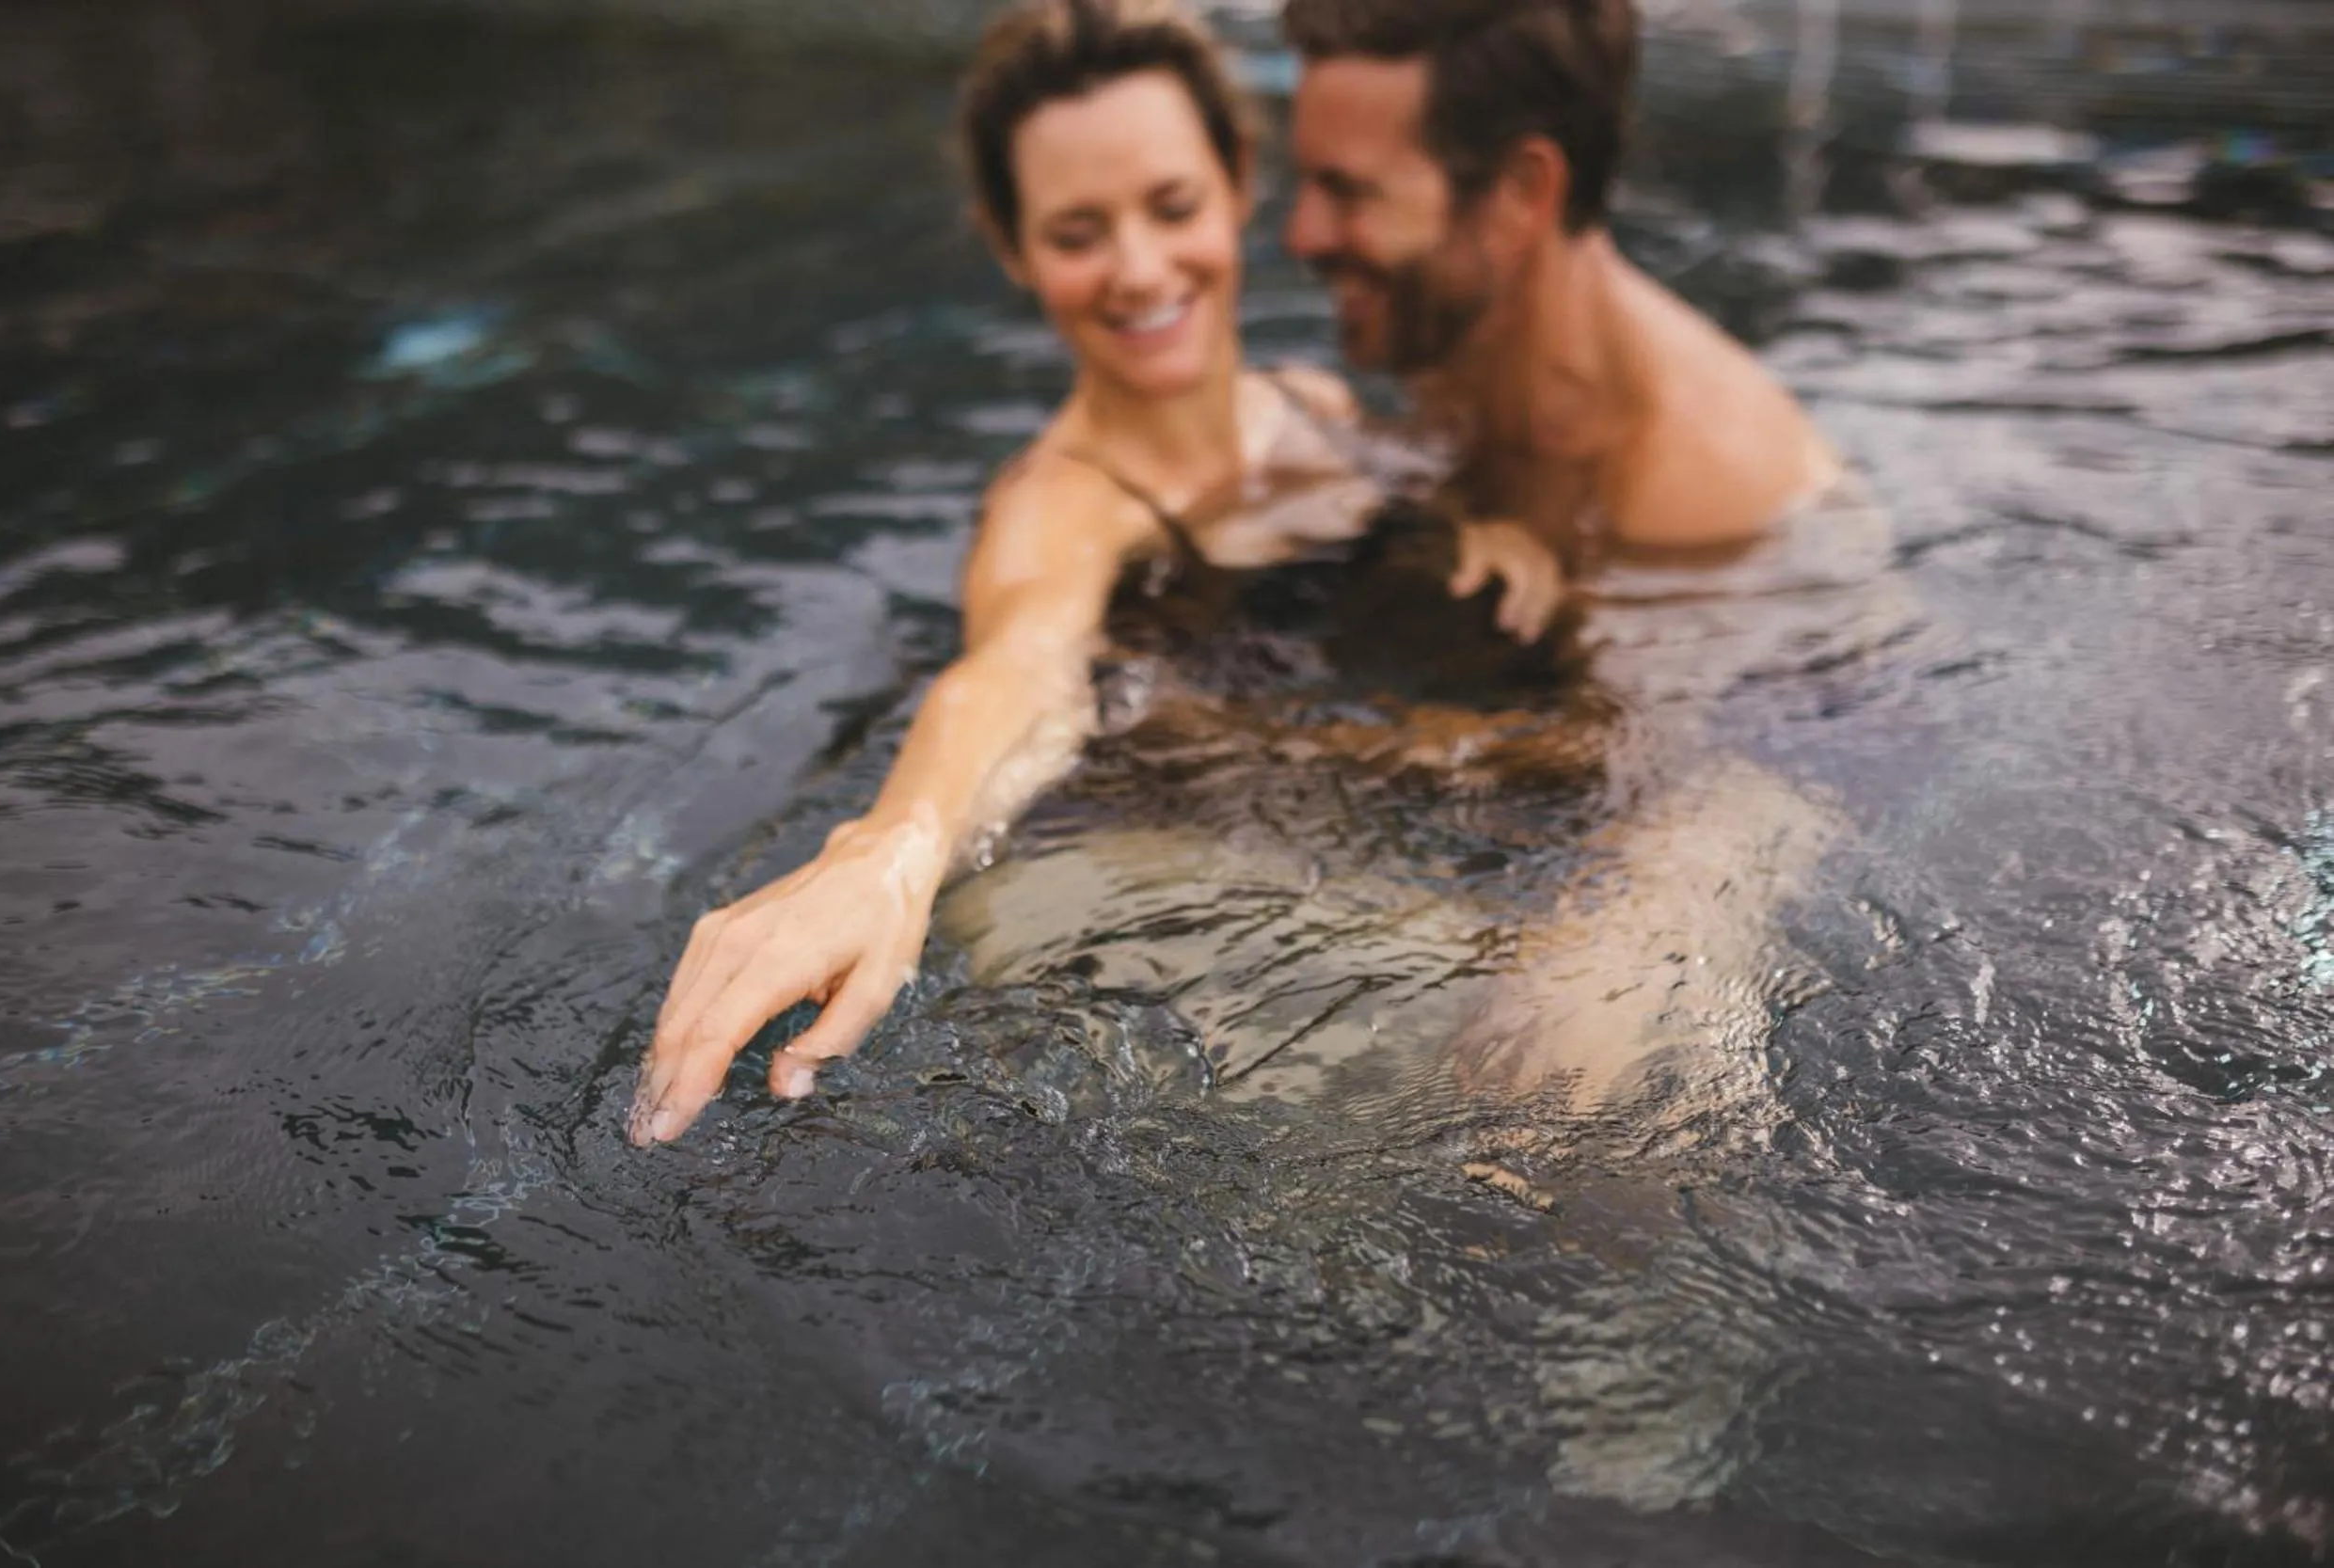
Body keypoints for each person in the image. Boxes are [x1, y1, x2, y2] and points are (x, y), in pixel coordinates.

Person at [628, 0, 1556, 1148]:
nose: (1139, 269)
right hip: (1166, 857)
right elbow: (1018, 662)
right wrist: (893, 847)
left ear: (1236, 184)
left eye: (1172, 207)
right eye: (1077, 232)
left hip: (1353, 802)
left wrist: (1488, 522)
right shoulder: (1056, 508)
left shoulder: (1312, 406)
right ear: (1012, 247)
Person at [1280, 0, 1842, 591]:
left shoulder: (1687, 505)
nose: (1300, 235)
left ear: (1524, 191)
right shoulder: (1455, 329)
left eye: (1350, 193)